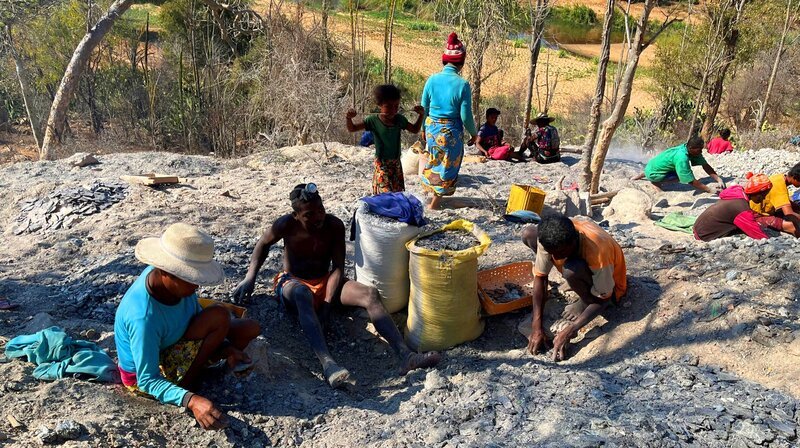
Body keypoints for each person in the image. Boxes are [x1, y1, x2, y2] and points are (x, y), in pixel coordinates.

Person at [232, 183, 441, 387]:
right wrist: (250, 277)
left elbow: (338, 268)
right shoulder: (286, 225)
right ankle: (328, 364)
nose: (318, 217)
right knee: (301, 294)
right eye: (309, 214)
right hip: (293, 282)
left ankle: (405, 355)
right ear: (296, 215)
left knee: (369, 294)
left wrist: (327, 302)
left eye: (320, 209)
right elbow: (263, 244)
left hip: (326, 280)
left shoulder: (334, 225)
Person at [115, 223, 261, 430]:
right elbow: (147, 380)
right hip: (147, 374)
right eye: (191, 278)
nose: (196, 286)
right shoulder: (143, 317)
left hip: (175, 341)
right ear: (167, 272)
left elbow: (194, 314)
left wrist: (225, 348)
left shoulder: (169, 284)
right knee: (219, 316)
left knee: (248, 328)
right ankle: (188, 384)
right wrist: (192, 400)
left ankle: (200, 368)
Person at [521, 214, 627, 362]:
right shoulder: (552, 237)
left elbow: (605, 298)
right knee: (529, 234)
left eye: (561, 253)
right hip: (580, 264)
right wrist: (536, 326)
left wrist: (571, 330)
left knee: (571, 269)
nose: (556, 258)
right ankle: (576, 282)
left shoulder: (598, 250)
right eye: (552, 254)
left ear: (573, 242)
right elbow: (540, 277)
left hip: (611, 288)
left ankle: (584, 300)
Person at [420, 32, 477, 209]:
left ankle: (429, 194)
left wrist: (422, 128)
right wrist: (474, 134)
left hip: (432, 128)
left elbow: (424, 108)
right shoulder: (462, 84)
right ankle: (435, 204)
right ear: (462, 62)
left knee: (434, 159)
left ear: (444, 61)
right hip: (451, 130)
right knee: (448, 166)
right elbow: (466, 115)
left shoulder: (432, 79)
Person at [346, 85, 424, 195]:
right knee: (385, 192)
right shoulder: (373, 120)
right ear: (380, 105)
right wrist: (348, 118)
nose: (393, 110)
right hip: (381, 163)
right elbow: (352, 128)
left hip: (396, 163)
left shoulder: (399, 120)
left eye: (396, 106)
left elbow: (415, 130)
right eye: (389, 106)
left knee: (397, 193)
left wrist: (421, 115)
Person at [693, 173, 785, 241]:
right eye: (763, 195)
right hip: (704, 235)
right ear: (755, 193)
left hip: (698, 226)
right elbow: (757, 233)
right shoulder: (741, 208)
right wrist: (771, 240)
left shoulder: (737, 192)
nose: (763, 198)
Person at [636, 136, 726, 194]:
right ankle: (655, 182)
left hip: (651, 166)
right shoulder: (682, 158)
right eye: (699, 150)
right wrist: (709, 190)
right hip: (653, 173)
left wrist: (718, 179)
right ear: (691, 148)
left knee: (672, 169)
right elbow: (690, 180)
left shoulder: (687, 148)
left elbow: (705, 165)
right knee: (679, 177)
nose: (701, 152)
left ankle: (645, 174)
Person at [749, 162, 800, 236]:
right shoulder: (779, 186)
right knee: (793, 227)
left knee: (796, 207)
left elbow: (780, 199)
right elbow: (789, 213)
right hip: (755, 215)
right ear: (795, 178)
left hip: (763, 210)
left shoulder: (779, 177)